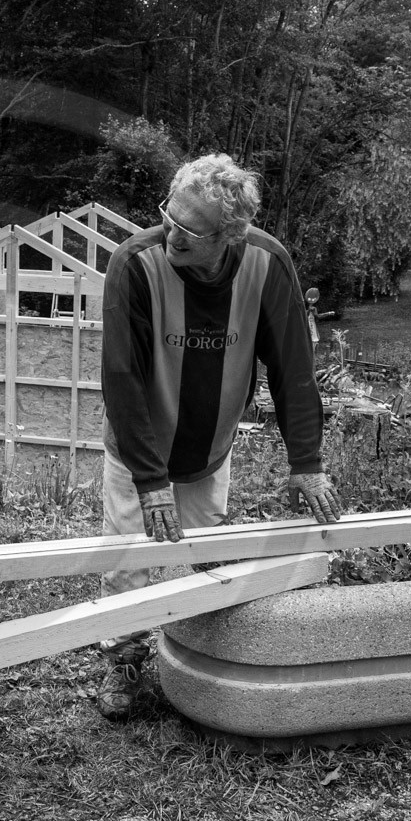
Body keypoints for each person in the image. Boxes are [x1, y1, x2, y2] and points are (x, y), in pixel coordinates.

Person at [96, 153, 341, 721]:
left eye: (188, 231)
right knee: (129, 558)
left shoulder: (265, 263)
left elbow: (293, 369)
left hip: (210, 450)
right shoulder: (135, 263)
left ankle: (208, 658)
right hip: (138, 452)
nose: (170, 236)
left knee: (211, 556)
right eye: (168, 217)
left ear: (230, 235)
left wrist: (306, 459)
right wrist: (149, 479)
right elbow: (121, 377)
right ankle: (124, 659)